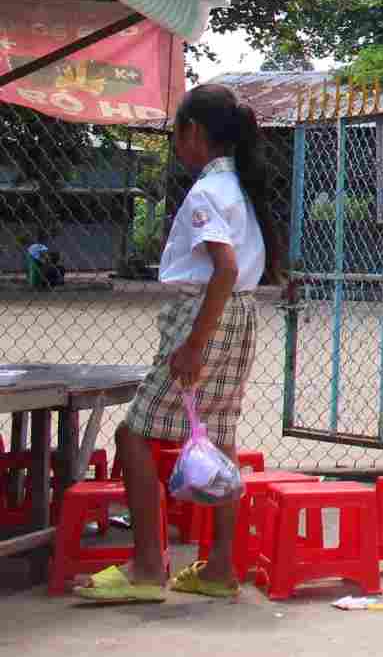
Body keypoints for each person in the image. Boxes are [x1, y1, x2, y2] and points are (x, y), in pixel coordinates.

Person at [78, 83, 285, 603]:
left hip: (207, 314)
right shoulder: (239, 187)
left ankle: (148, 567)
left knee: (134, 435)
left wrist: (193, 344)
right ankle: (218, 568)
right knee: (219, 438)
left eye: (177, 132)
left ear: (192, 132)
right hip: (239, 315)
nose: (176, 141)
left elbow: (226, 267)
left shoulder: (207, 192)